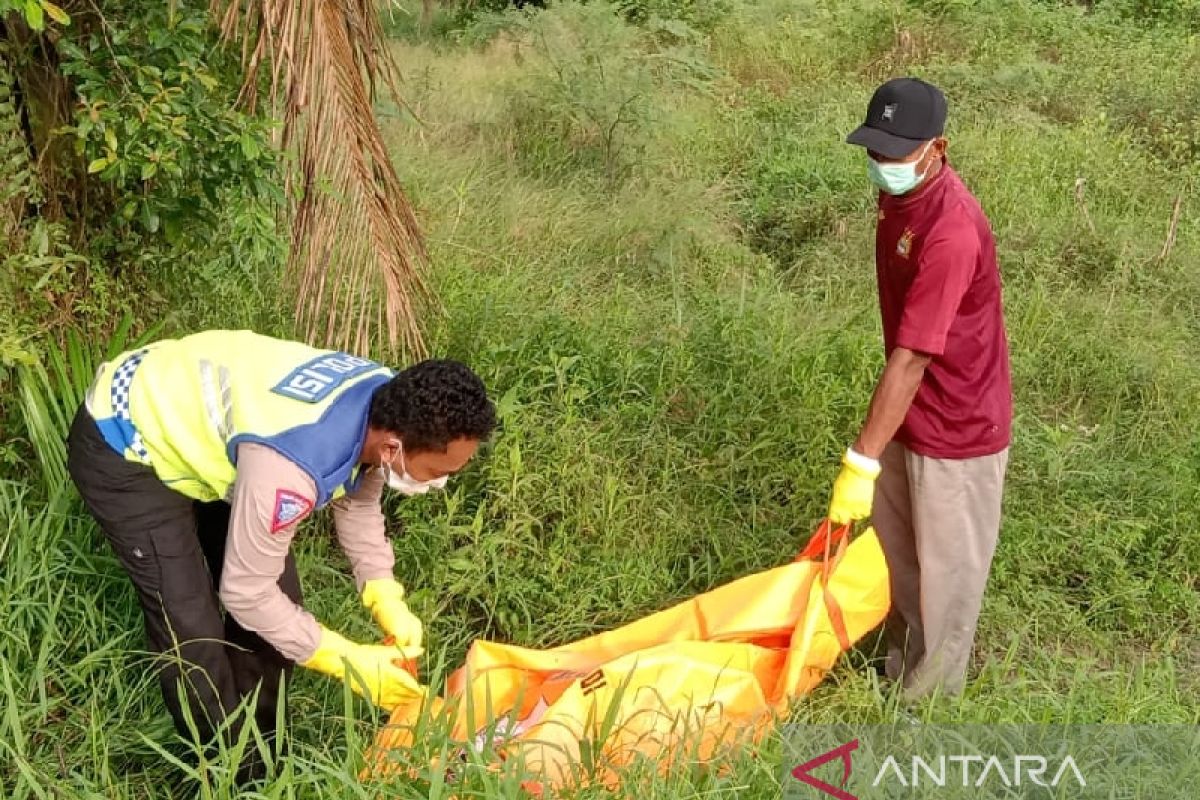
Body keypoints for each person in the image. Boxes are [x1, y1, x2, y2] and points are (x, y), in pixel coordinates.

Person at [65, 329, 496, 780]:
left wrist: (385, 595)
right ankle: (226, 776)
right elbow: (246, 592)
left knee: (281, 606)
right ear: (393, 448)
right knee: (192, 630)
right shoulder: (290, 466)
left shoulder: (392, 405)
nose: (441, 482)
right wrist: (349, 663)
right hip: (130, 437)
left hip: (217, 435)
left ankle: (266, 756)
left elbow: (360, 499)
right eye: (439, 472)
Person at [828, 77, 1013, 700]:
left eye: (897, 154)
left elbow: (910, 357)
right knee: (901, 562)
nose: (884, 165)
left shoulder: (951, 230)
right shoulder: (900, 200)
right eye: (875, 151)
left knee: (946, 582)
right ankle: (896, 673)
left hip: (959, 427)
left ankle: (926, 717)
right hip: (910, 414)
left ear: (938, 147)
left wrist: (861, 458)